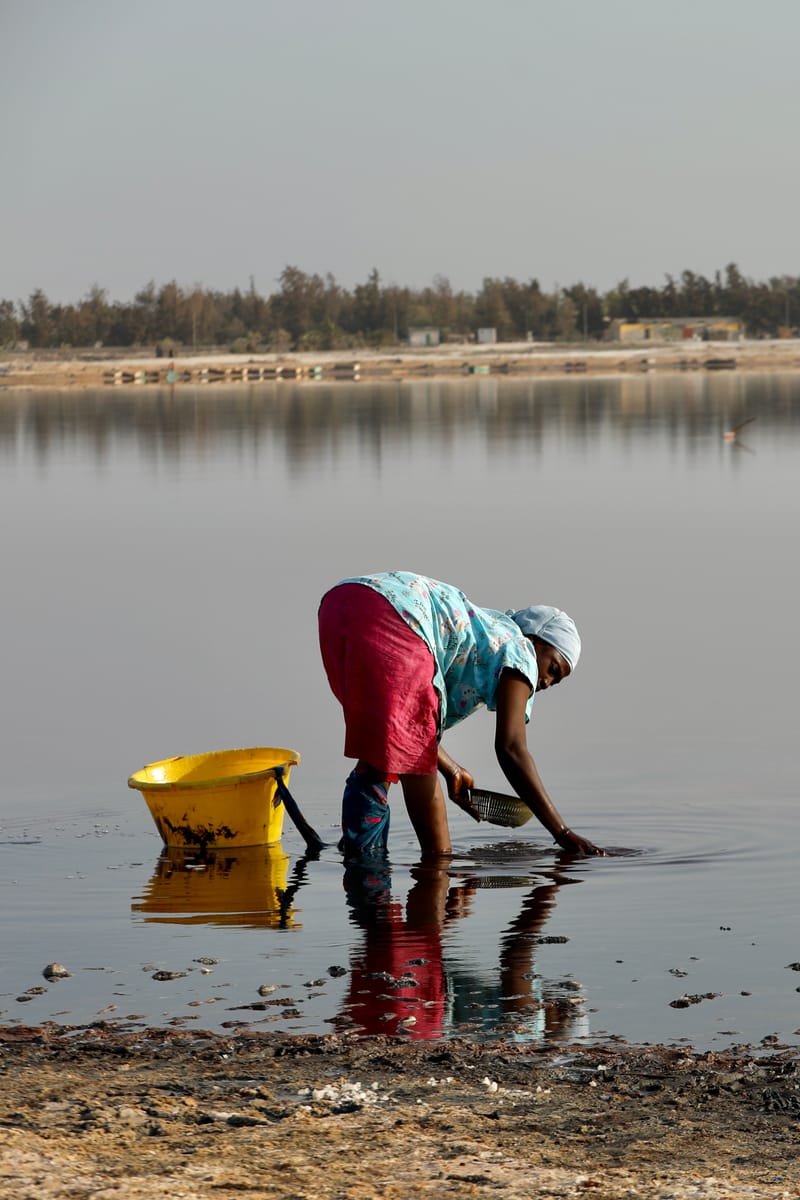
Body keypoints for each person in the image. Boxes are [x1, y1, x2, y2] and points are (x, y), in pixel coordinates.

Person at [318, 571, 604, 860]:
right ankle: (436, 868)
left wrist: (451, 769)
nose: (545, 682)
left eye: (556, 682)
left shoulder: (485, 638)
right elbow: (511, 749)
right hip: (397, 615)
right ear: (535, 639)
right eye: (552, 669)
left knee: (381, 754)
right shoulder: (520, 650)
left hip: (343, 606)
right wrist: (562, 833)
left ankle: (361, 860)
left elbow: (412, 731)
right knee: (420, 779)